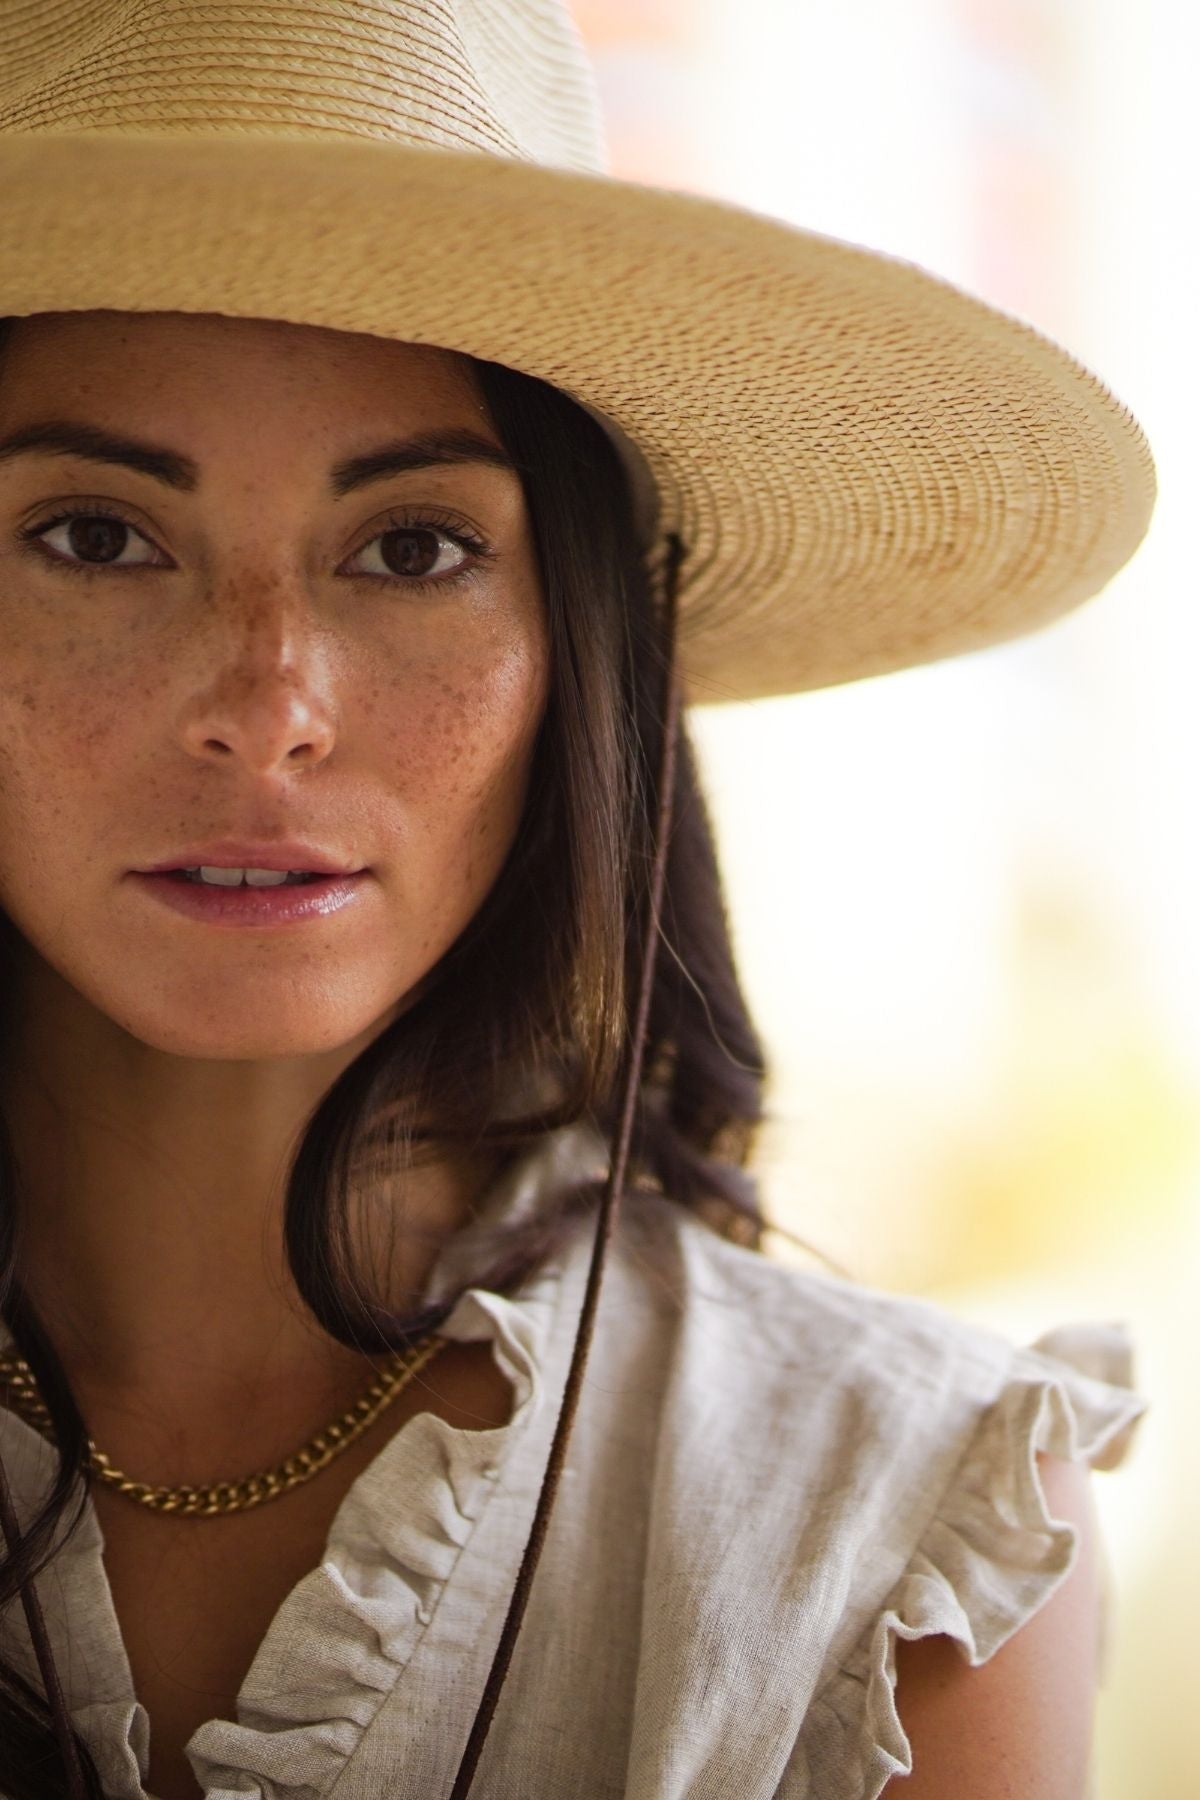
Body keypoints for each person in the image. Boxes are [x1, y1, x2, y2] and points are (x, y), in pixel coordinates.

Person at [0, 4, 1156, 1799]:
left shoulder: (896, 1539)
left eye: (414, 547)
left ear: (584, 649)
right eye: (92, 535)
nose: (269, 700)